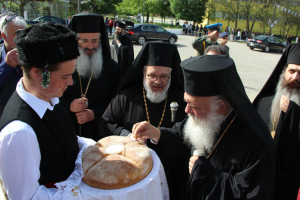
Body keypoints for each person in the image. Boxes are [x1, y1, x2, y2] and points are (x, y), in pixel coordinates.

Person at [131, 55, 276, 200]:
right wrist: (157, 134)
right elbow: (180, 135)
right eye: (186, 102)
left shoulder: (257, 145)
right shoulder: (207, 116)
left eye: (193, 106)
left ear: (219, 106)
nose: (186, 110)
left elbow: (251, 193)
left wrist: (204, 175)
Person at [0, 22, 95, 200]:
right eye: (65, 76)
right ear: (38, 73)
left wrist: (94, 148)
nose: (71, 83)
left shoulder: (50, 97)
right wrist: (90, 194)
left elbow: (61, 141)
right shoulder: (19, 133)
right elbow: (28, 197)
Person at [99, 42, 188, 200]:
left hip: (170, 172)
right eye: (152, 75)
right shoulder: (125, 97)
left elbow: (188, 137)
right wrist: (128, 136)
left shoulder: (182, 99)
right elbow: (105, 122)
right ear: (143, 73)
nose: (158, 81)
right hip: (130, 171)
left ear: (171, 75)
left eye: (164, 77)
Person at [63, 12, 121, 141]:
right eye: (84, 41)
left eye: (95, 41)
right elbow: (50, 98)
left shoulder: (112, 68)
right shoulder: (62, 66)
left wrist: (95, 113)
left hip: (101, 136)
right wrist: (69, 105)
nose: (90, 46)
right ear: (75, 41)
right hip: (68, 133)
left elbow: (119, 103)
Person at [253, 43, 300, 200]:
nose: (295, 78)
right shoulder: (263, 102)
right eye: (292, 71)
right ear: (284, 72)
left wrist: (294, 112)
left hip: (288, 185)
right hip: (259, 180)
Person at [0, 14, 27, 118]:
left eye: (24, 33)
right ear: (4, 35)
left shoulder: (33, 53)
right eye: (17, 34)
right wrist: (6, 66)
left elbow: (45, 84)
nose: (21, 38)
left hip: (26, 115)